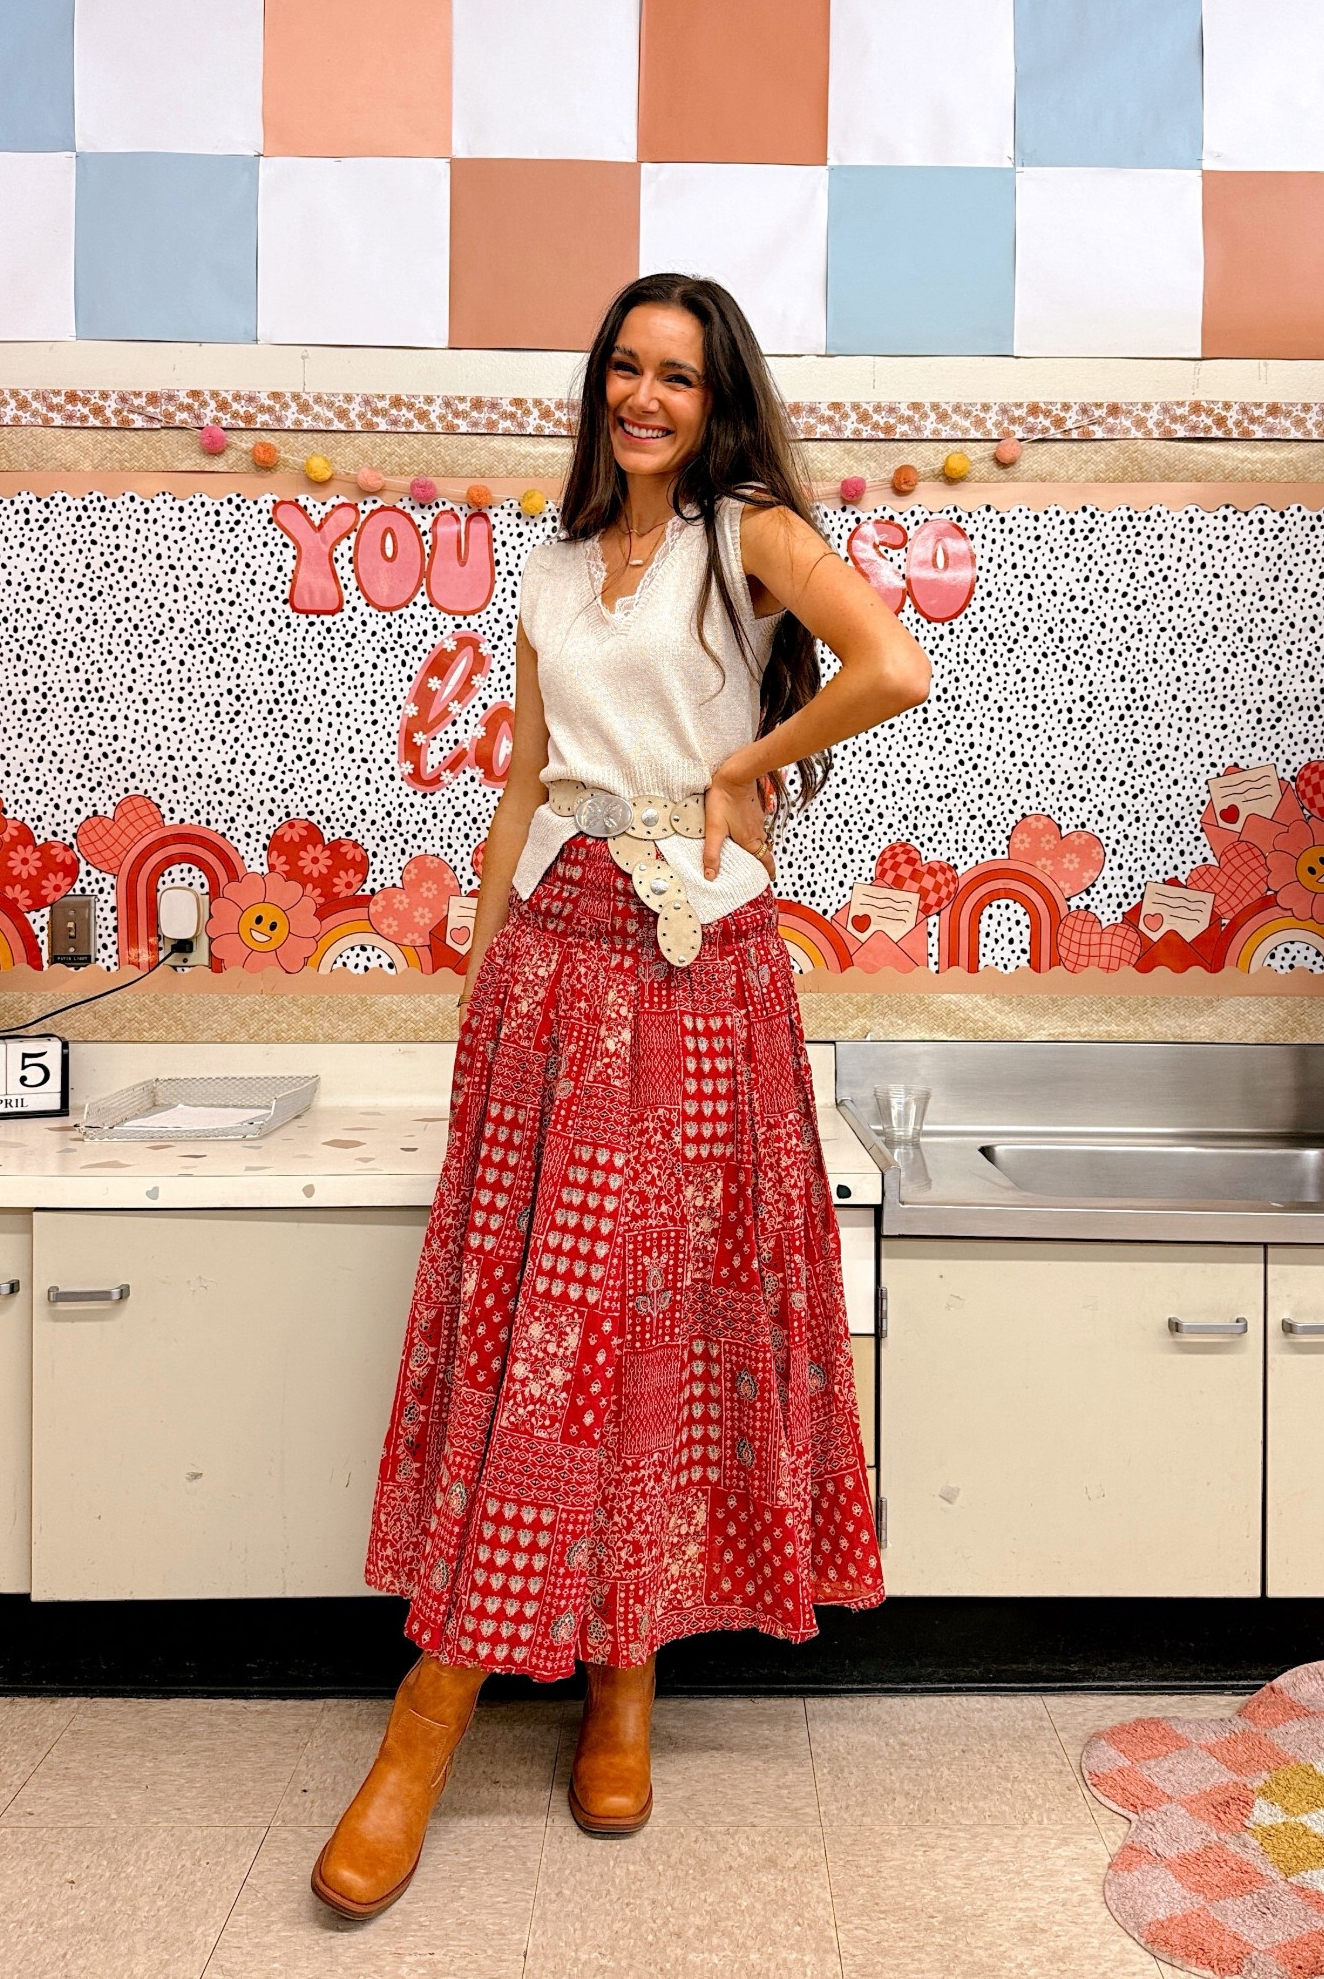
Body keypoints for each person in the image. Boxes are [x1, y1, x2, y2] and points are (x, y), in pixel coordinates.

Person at [313, 272, 932, 1919]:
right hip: (556, 967)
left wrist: (740, 769)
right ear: (599, 389)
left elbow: (893, 666)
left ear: (718, 403)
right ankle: (455, 1700)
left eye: (678, 376)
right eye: (626, 370)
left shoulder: (749, 536)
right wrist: (480, 971)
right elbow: (524, 779)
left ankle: (608, 1678)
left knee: (643, 1322)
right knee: (538, 1318)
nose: (645, 397)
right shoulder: (552, 569)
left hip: (699, 974)